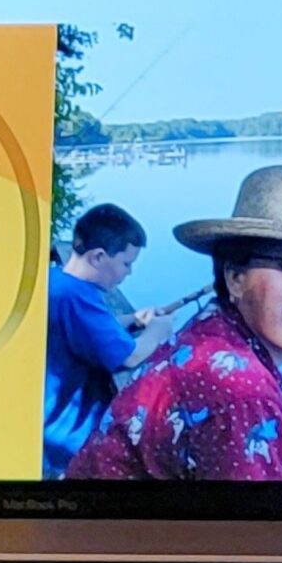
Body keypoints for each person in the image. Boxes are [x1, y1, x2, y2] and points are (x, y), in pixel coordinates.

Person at [65, 165, 282, 483]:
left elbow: (261, 457)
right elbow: (262, 541)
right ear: (235, 276)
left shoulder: (216, 332)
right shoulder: (239, 392)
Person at [39, 203, 179, 477]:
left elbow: (83, 329)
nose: (129, 272)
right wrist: (158, 331)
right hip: (69, 440)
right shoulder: (78, 297)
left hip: (46, 430)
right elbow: (130, 357)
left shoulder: (58, 282)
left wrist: (131, 320)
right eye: (126, 263)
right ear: (99, 257)